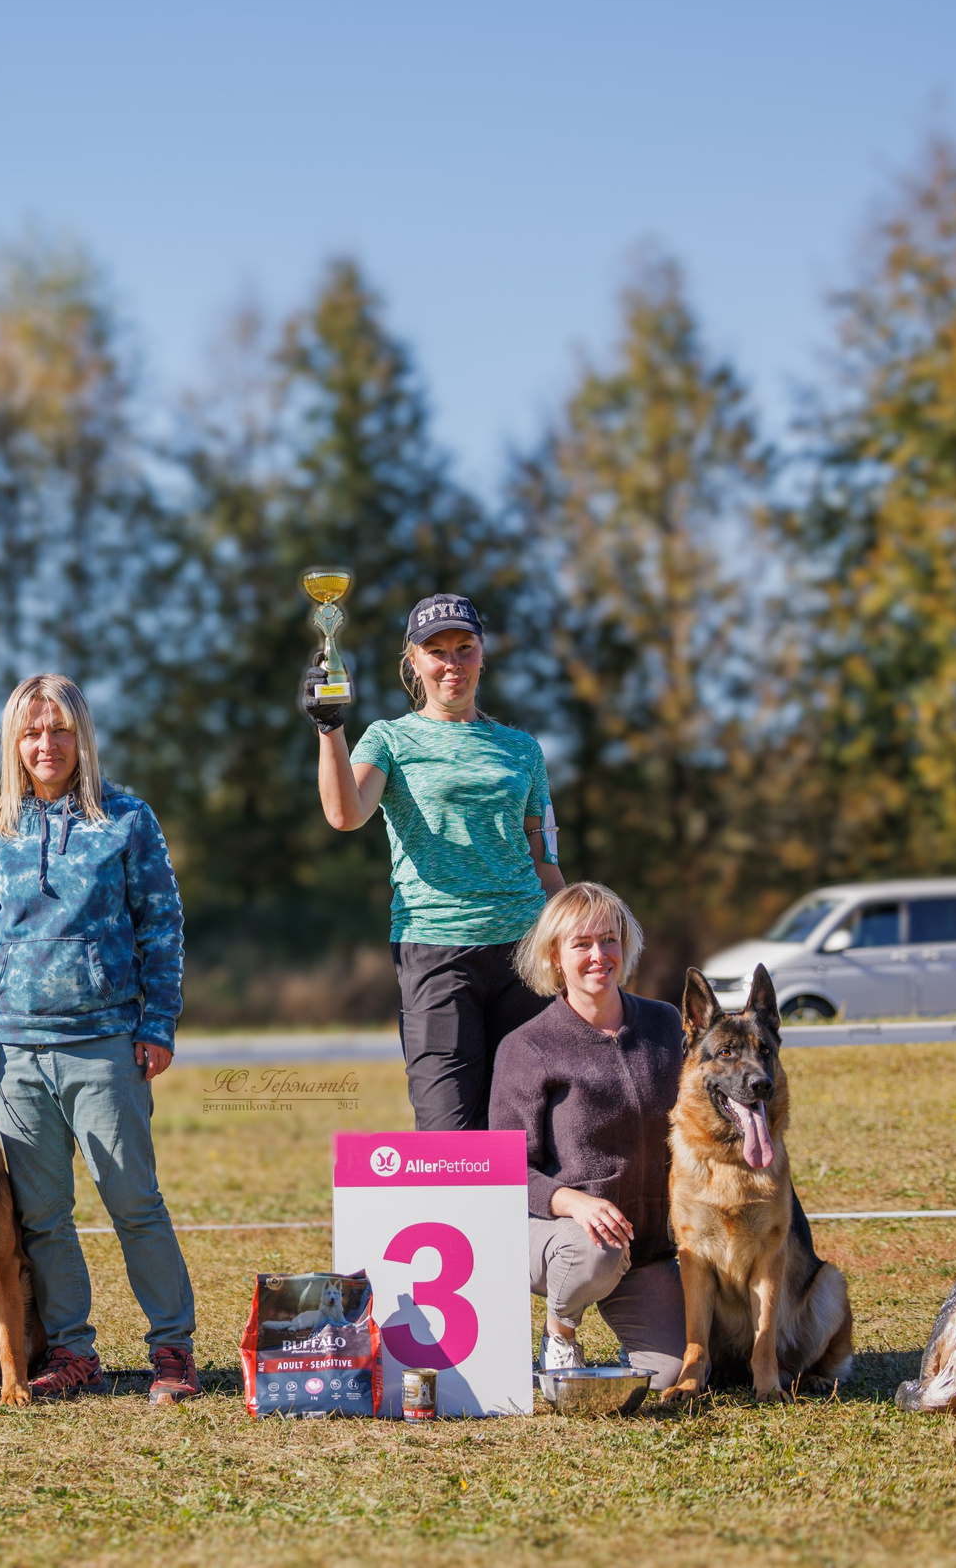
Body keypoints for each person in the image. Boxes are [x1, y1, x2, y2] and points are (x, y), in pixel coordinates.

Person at [0, 674, 199, 1405]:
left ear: (81, 736)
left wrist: (156, 1023)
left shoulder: (126, 819)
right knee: (43, 1218)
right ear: (13, 743)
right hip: (15, 1058)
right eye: (31, 732)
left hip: (106, 1045)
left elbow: (162, 925)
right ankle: (72, 1349)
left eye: (59, 730)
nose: (45, 744)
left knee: (135, 1203)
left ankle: (172, 1350)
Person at [308, 593, 564, 1131]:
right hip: (435, 949)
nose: (452, 664)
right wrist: (330, 728)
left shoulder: (522, 750)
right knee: (449, 1129)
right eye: (437, 651)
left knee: (532, 1123)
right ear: (414, 661)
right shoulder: (390, 739)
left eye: (464, 648)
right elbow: (345, 814)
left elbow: (544, 859)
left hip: (526, 950)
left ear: (481, 654)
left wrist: (566, 941)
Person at [488, 882, 686, 1387]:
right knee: (594, 1250)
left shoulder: (666, 1025)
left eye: (610, 940)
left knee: (670, 1376)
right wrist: (571, 1202)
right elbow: (504, 1169)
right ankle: (560, 1334)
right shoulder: (526, 1046)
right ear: (555, 957)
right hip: (561, 1238)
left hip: (646, 1252)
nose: (599, 955)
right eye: (581, 944)